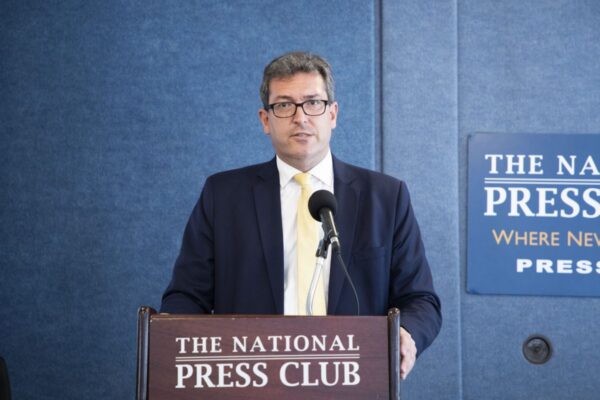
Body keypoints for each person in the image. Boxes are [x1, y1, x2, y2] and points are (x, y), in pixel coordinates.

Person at [161, 51, 441, 379]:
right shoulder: (223, 196)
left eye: (313, 103)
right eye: (284, 105)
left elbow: (421, 299)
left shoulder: (386, 197)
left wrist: (406, 334)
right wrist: (171, 339)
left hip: (352, 378)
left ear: (332, 114)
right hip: (251, 380)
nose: (301, 117)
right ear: (265, 120)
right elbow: (186, 296)